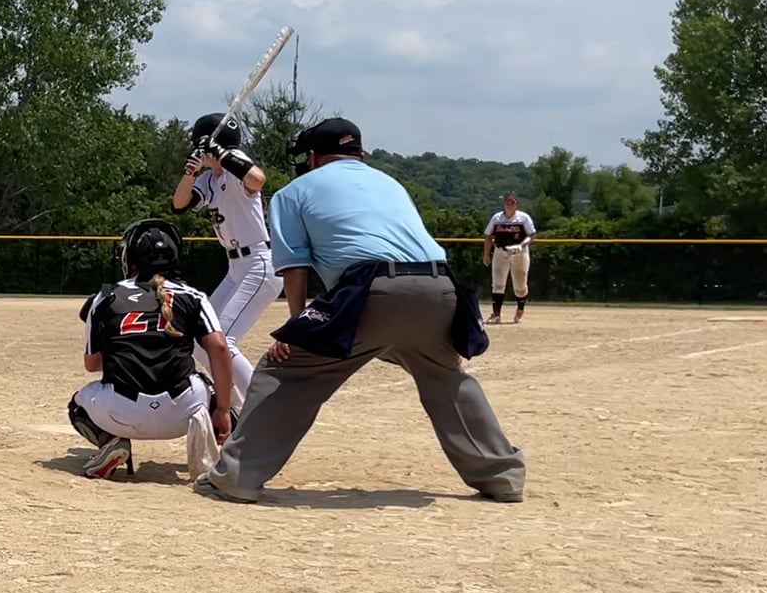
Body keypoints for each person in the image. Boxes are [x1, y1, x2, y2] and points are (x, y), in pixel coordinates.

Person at [193, 118, 526, 504]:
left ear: (313, 156)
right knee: (445, 377)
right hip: (441, 290)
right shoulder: (390, 183)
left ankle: (236, 476)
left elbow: (295, 269)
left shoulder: (293, 192)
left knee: (285, 370)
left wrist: (297, 328)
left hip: (372, 291)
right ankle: (502, 476)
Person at [70, 218, 238, 480]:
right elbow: (218, 347)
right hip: (183, 412)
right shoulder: (193, 296)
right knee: (221, 396)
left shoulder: (105, 296)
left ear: (130, 257)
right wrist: (223, 410)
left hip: (120, 412)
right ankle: (224, 455)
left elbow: (92, 364)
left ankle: (110, 441)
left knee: (78, 404)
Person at [171, 113, 280, 410]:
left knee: (224, 342)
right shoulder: (210, 178)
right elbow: (179, 204)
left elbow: (257, 179)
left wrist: (219, 152)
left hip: (259, 263)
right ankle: (235, 405)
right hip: (236, 268)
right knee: (201, 340)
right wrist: (190, 172)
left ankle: (264, 407)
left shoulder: (235, 163)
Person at [483, 193, 536, 323]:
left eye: (512, 202)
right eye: (508, 202)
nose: (510, 204)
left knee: (520, 284)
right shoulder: (497, 218)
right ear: (504, 203)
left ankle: (520, 309)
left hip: (519, 253)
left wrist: (521, 245)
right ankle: (496, 314)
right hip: (501, 251)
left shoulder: (523, 218)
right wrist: (486, 254)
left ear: (516, 204)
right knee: (498, 283)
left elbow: (532, 235)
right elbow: (488, 236)